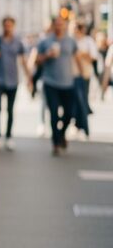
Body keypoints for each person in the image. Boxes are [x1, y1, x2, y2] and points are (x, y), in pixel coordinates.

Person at [0, 17, 30, 151]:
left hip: (13, 81)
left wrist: (29, 77)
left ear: (13, 27)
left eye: (10, 25)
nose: (7, 28)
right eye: (5, 25)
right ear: (2, 26)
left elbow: (23, 61)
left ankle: (9, 136)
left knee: (10, 110)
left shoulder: (18, 42)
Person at [36, 17, 81, 156]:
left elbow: (77, 57)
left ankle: (61, 134)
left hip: (68, 83)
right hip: (50, 83)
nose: (59, 27)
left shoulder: (71, 41)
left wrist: (82, 75)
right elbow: (37, 60)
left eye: (61, 24)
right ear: (53, 26)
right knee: (54, 114)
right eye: (57, 24)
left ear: (65, 26)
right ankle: (56, 143)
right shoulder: (45, 41)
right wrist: (47, 55)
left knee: (69, 114)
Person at [73, 23, 97, 138]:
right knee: (75, 102)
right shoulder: (72, 41)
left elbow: (93, 57)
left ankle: (84, 128)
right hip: (71, 75)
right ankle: (78, 125)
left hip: (84, 75)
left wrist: (82, 54)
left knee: (82, 100)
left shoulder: (88, 41)